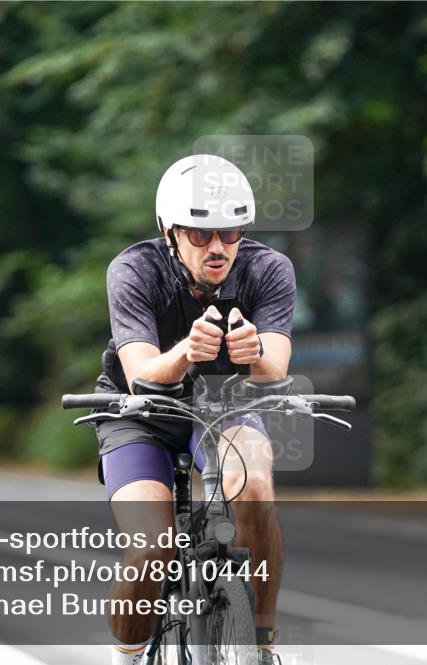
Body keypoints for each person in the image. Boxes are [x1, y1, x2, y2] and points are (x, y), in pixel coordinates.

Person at [94, 154, 295, 665]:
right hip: (140, 415)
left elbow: (275, 369)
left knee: (254, 489)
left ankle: (262, 643)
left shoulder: (268, 269)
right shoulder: (135, 270)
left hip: (223, 405)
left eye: (230, 234)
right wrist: (186, 352)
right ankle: (130, 654)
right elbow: (141, 371)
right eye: (201, 235)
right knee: (153, 549)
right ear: (169, 231)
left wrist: (254, 353)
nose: (218, 248)